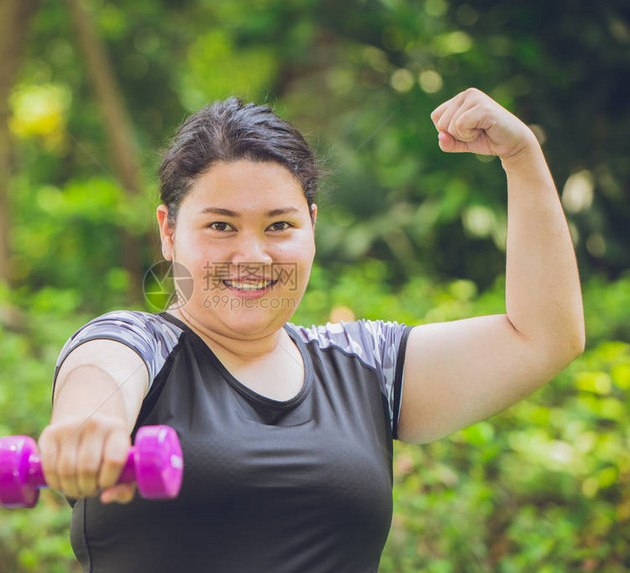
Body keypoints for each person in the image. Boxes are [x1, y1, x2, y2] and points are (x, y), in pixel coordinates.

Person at [38, 88, 585, 572]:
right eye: (220, 226)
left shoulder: (365, 365)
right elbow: (100, 372)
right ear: (168, 231)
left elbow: (542, 336)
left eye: (280, 225)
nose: (251, 256)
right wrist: (90, 426)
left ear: (313, 228)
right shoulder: (140, 343)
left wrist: (522, 157)